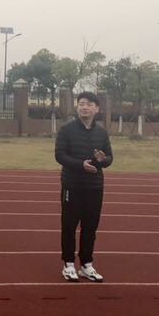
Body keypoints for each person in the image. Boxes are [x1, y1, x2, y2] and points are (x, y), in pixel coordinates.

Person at [55, 91, 113, 283]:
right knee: (69, 226)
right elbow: (60, 155)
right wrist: (81, 165)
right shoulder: (67, 130)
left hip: (95, 186)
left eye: (89, 104)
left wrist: (102, 160)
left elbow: (109, 158)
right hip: (72, 185)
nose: (84, 107)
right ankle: (68, 264)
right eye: (81, 103)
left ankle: (87, 264)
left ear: (97, 108)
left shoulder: (102, 133)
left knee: (90, 227)